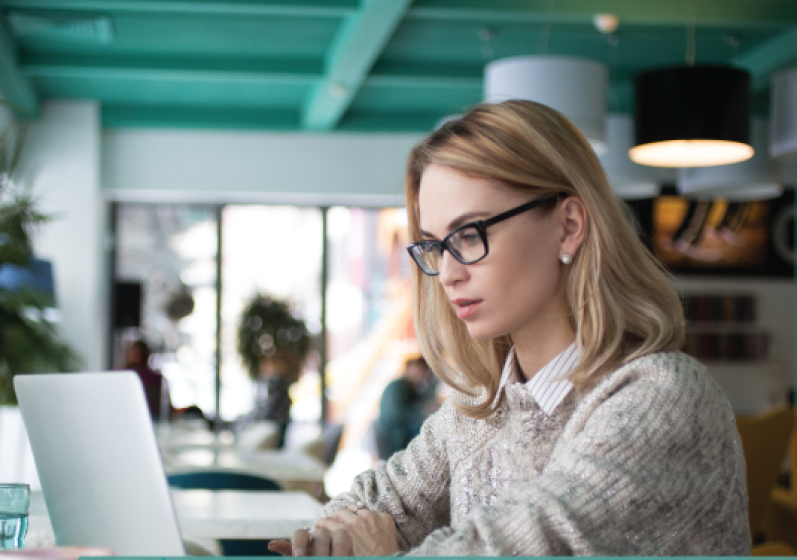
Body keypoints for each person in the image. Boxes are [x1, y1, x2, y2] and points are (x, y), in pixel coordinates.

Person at [269, 100, 750, 556]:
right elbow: (365, 508)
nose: (450, 273)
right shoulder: (480, 410)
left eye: (469, 234)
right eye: (435, 246)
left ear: (568, 226)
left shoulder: (664, 399)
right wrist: (342, 539)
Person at [374, 356, 438, 460]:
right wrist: (422, 410)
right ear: (411, 367)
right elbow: (396, 414)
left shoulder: (410, 387)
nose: (421, 375)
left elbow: (422, 402)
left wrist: (427, 406)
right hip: (394, 434)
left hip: (400, 433)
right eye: (420, 370)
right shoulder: (398, 385)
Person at [123, 339, 171, 420]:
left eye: (138, 353)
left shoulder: (154, 378)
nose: (134, 355)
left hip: (150, 415)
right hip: (125, 413)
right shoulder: (120, 374)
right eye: (133, 352)